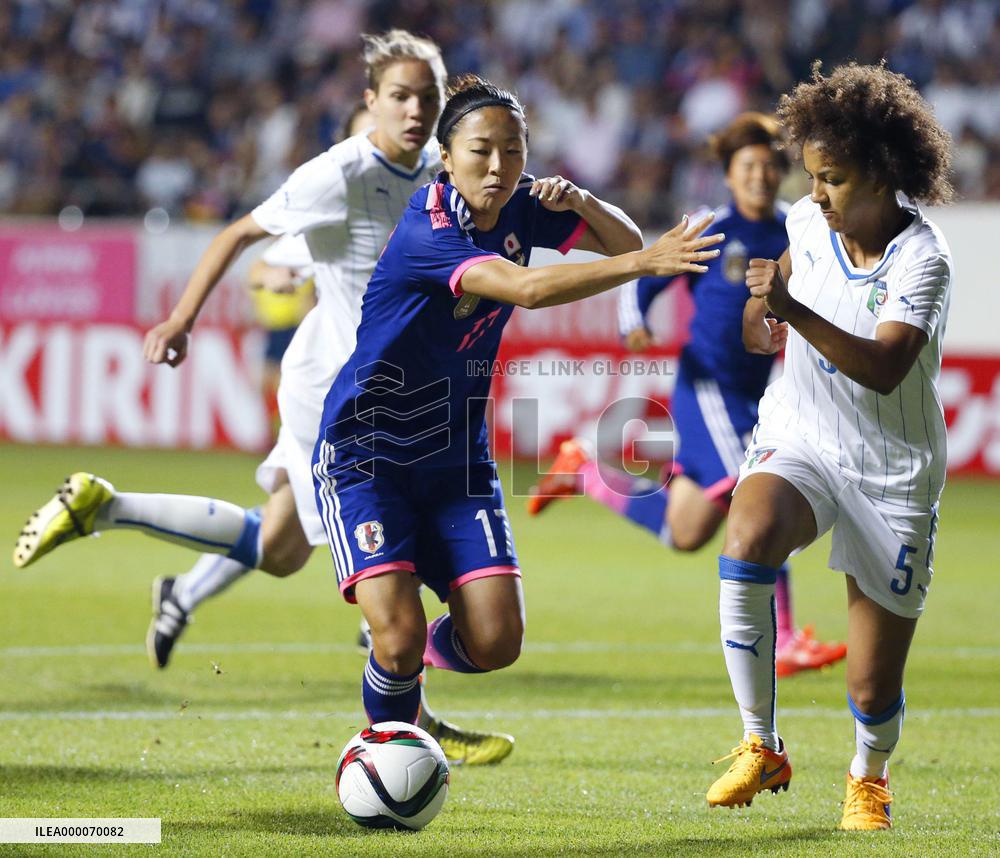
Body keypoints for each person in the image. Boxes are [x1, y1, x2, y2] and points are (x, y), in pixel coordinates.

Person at [12, 31, 512, 765]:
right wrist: (182, 318)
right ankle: (409, 721)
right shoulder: (338, 175)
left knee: (279, 548)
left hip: (387, 395)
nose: (414, 111)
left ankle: (114, 516)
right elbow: (245, 234)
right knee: (380, 572)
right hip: (343, 401)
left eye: (427, 99)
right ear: (369, 101)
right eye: (400, 96)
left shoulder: (444, 173)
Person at [312, 74, 723, 729]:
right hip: (370, 452)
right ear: (446, 158)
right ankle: (389, 739)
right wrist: (644, 266)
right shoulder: (429, 225)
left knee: (497, 641)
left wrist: (583, 201)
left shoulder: (524, 204)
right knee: (396, 637)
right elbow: (530, 289)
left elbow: (625, 242)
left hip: (456, 459)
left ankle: (405, 664)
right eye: (481, 150)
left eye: (513, 149)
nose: (498, 166)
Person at [702, 63, 953, 831]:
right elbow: (763, 331)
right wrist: (763, 313)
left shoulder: (924, 260)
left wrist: (793, 311)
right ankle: (759, 742)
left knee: (873, 688)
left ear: (882, 172)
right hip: (803, 435)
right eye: (811, 177)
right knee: (747, 536)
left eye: (832, 179)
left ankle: (868, 777)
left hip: (892, 471)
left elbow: (883, 368)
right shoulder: (806, 226)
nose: (815, 195)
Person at [527, 113, 846, 678]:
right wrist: (635, 319)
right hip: (706, 386)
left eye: (771, 166)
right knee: (765, 489)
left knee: (687, 531)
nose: (761, 176)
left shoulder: (794, 230)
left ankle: (588, 471)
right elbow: (646, 275)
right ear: (728, 174)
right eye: (749, 166)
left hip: (754, 392)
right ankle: (789, 636)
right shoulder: (710, 226)